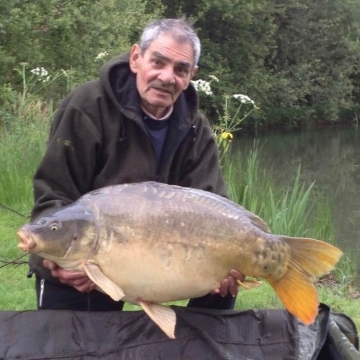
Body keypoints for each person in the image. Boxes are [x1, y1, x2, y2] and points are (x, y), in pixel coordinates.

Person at [29, 18, 244, 311]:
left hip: (154, 258)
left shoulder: (196, 128)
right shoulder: (87, 107)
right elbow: (52, 195)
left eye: (180, 70)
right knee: (74, 342)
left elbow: (213, 205)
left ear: (191, 75)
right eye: (158, 62)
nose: (167, 77)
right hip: (88, 257)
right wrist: (53, 258)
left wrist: (230, 259)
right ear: (135, 58)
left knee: (223, 284)